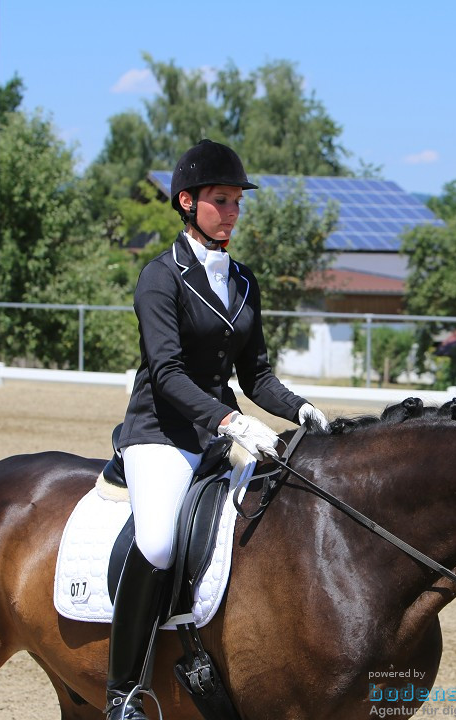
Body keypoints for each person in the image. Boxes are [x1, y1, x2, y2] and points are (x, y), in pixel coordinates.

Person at [106, 139, 330, 720]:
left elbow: (256, 375)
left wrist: (300, 409)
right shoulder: (161, 277)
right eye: (221, 201)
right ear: (188, 202)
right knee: (156, 541)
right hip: (161, 432)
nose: (232, 213)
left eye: (237, 202)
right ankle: (123, 690)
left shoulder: (244, 280)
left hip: (217, 429)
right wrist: (230, 422)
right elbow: (168, 372)